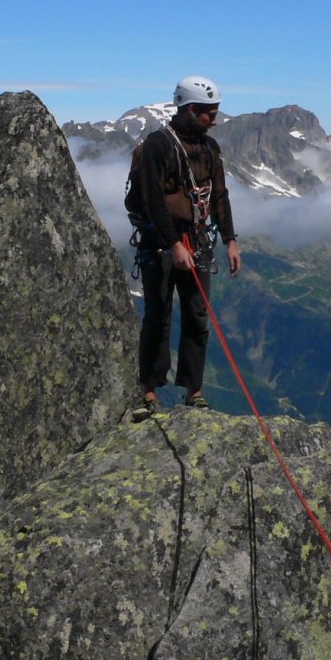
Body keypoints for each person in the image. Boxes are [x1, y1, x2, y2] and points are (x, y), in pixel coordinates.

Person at [125, 74, 241, 421]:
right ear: (191, 110)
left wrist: (231, 240)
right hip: (161, 243)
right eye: (210, 113)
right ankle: (148, 391)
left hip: (197, 238)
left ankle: (194, 392)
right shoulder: (159, 145)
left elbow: (219, 196)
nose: (215, 120)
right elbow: (152, 200)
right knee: (158, 314)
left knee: (197, 314)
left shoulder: (210, 149)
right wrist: (174, 245)